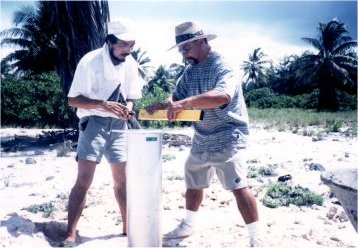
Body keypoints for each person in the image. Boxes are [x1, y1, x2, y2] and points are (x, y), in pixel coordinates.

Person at [145, 21, 262, 247]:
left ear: (200, 42)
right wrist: (165, 103)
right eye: (180, 50)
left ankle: (257, 239)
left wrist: (186, 103)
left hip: (229, 134)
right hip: (202, 136)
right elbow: (176, 96)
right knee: (193, 181)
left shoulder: (223, 65)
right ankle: (188, 226)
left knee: (238, 186)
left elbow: (222, 96)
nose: (182, 55)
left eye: (185, 49)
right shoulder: (189, 71)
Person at [62, 19, 143, 247]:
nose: (128, 50)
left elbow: (131, 94)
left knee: (122, 181)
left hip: (118, 126)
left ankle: (128, 227)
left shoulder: (131, 63)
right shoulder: (90, 61)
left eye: (132, 45)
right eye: (124, 45)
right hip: (93, 123)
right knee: (84, 181)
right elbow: (72, 99)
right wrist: (103, 104)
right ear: (110, 42)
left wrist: (128, 106)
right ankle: (70, 233)